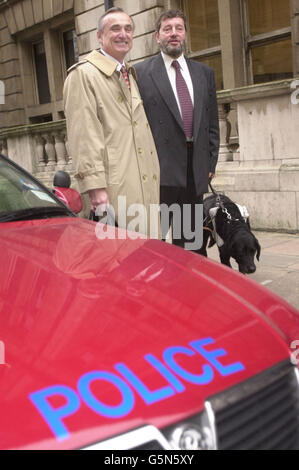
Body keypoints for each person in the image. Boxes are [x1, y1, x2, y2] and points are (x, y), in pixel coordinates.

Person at [63, 7, 160, 236]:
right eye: (115, 28)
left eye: (128, 29)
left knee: (148, 256)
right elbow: (83, 137)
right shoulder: (83, 75)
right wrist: (96, 189)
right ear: (100, 36)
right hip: (114, 190)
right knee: (120, 258)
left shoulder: (128, 73)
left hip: (144, 186)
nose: (123, 34)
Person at [134, 9, 219, 252]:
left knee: (191, 243)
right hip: (159, 172)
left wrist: (210, 164)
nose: (174, 34)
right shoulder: (140, 74)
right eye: (167, 29)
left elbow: (212, 122)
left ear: (185, 34)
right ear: (157, 36)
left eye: (178, 28)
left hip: (195, 171)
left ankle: (189, 287)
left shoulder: (204, 73)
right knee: (155, 243)